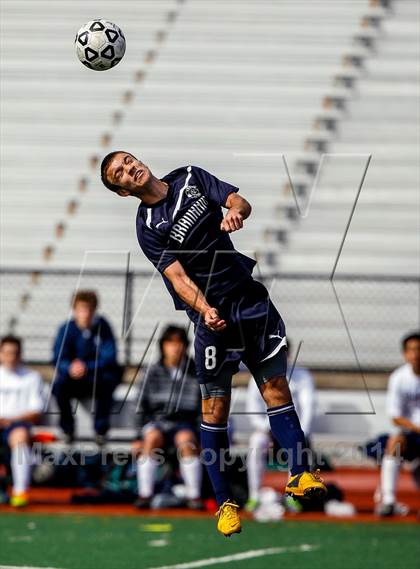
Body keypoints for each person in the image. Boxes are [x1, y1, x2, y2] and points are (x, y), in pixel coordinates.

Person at [100, 152, 326, 536]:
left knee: (275, 386)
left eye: (127, 160)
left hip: (250, 302)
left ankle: (299, 473)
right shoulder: (148, 226)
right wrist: (204, 308)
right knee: (215, 407)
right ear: (123, 192)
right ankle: (224, 503)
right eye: (119, 173)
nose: (128, 168)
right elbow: (176, 277)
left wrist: (236, 211)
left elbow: (240, 200)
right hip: (213, 317)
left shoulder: (191, 176)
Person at [132, 325, 202, 510]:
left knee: (186, 441)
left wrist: (202, 437)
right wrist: (138, 437)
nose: (175, 347)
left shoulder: (196, 371)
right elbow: (140, 406)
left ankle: (194, 496)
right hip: (157, 423)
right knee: (151, 438)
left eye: (179, 343)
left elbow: (202, 408)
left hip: (184, 424)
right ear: (163, 346)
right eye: (170, 342)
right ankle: (145, 495)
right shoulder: (152, 371)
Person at [245, 345, 316, 511]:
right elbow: (252, 410)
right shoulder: (257, 375)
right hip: (267, 431)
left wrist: (299, 432)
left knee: (297, 444)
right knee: (256, 442)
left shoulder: (302, 376)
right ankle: (254, 496)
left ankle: (292, 496)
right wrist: (269, 428)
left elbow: (308, 408)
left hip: (293, 429)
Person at [52, 290, 122, 445]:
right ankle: (67, 429)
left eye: (89, 309)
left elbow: (109, 357)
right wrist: (70, 367)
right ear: (74, 310)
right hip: (74, 378)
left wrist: (87, 367)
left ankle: (101, 430)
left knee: (108, 382)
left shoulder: (103, 328)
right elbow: (58, 357)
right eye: (82, 309)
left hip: (96, 378)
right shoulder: (66, 329)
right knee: (59, 386)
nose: (86, 313)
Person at [377, 331, 420, 517]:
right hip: (411, 434)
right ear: (405, 354)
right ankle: (388, 502)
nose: (415, 354)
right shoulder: (399, 378)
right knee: (394, 443)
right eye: (411, 350)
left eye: (418, 349)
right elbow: (395, 416)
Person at [0, 335, 44, 507]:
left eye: (14, 353)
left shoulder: (32, 377)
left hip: (17, 424)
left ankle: (20, 492)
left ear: (20, 355)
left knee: (19, 437)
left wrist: (9, 420)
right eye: (7, 353)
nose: (11, 357)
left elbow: (36, 411)